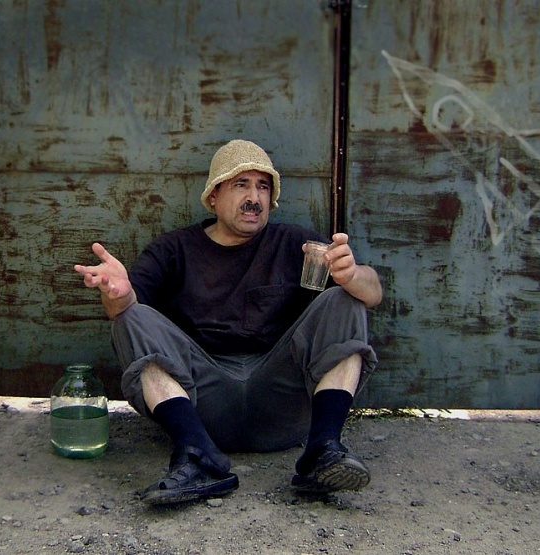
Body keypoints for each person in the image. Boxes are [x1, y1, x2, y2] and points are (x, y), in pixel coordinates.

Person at [74, 139, 383, 505]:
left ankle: (323, 451)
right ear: (213, 196)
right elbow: (123, 310)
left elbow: (373, 292)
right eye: (241, 184)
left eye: (263, 187)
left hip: (281, 403)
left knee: (347, 299)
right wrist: (119, 294)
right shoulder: (174, 250)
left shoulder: (296, 244)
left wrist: (352, 275)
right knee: (131, 317)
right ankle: (198, 458)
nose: (254, 197)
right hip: (204, 407)